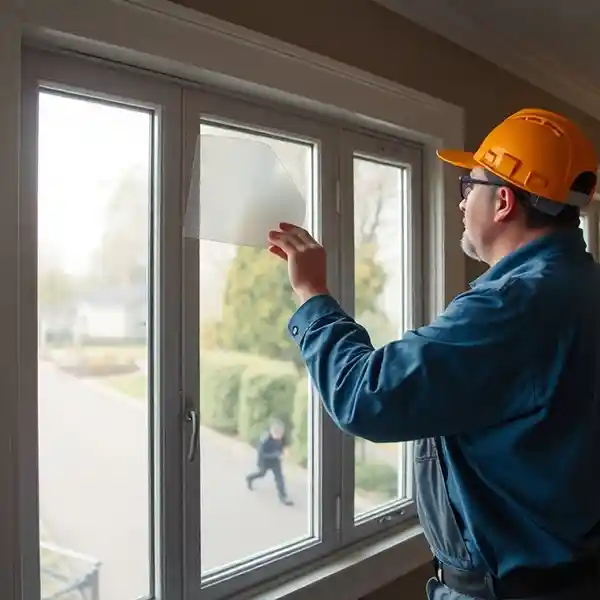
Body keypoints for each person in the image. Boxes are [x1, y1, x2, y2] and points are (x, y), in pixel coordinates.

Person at [266, 108, 600, 599]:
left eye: (470, 186)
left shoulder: (511, 307)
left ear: (503, 200)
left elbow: (365, 395)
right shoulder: (584, 286)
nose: (462, 201)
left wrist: (312, 294)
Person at [246, 418, 293, 506]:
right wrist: (277, 454)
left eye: (281, 435)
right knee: (261, 473)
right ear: (272, 433)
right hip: (264, 461)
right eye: (277, 436)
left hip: (275, 461)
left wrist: (285, 450)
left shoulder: (282, 436)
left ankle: (283, 497)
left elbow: (284, 444)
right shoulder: (265, 441)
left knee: (280, 478)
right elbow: (263, 454)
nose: (279, 437)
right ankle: (249, 478)